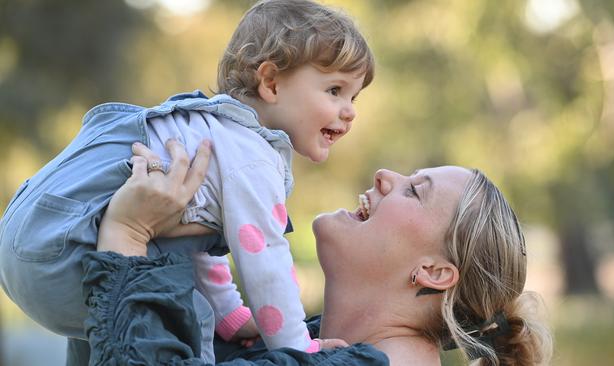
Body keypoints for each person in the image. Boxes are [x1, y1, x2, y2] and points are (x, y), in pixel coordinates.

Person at [0, 0, 374, 363]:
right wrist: (296, 347)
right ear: (272, 83)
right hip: (64, 253)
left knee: (148, 304)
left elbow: (190, 243)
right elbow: (266, 258)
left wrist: (230, 312)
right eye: (335, 90)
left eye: (354, 96)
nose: (351, 111)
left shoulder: (209, 132)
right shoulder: (253, 158)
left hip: (32, 241)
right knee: (189, 319)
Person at [81, 143, 553, 365]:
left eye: (415, 191)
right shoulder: (312, 345)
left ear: (432, 271)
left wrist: (127, 232)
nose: (386, 173)